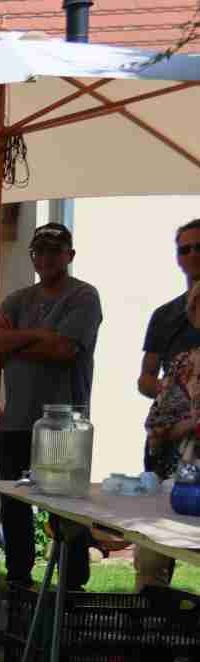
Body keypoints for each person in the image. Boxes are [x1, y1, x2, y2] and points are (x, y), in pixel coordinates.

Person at [0, 222, 103, 591]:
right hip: (15, 419)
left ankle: (72, 585)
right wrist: (38, 335)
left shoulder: (84, 296)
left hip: (64, 421)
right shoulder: (17, 299)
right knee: (14, 504)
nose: (45, 257)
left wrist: (16, 341)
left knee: (65, 505)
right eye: (39, 251)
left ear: (69, 255)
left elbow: (64, 350)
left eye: (54, 251)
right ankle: (19, 579)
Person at [135, 219, 200, 591]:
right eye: (184, 248)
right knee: (153, 552)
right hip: (170, 449)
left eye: (198, 247)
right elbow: (145, 379)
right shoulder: (166, 316)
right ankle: (150, 623)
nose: (191, 255)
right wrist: (175, 393)